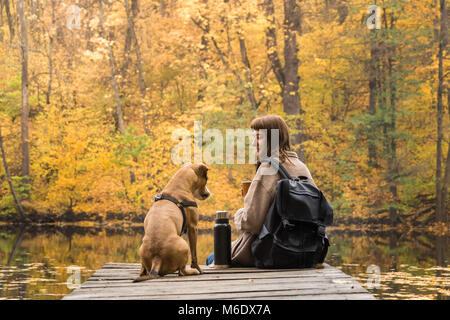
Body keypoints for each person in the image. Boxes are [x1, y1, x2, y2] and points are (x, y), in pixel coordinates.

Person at [206, 114, 317, 267]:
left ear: (274, 139)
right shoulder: (301, 166)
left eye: (258, 138)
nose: (253, 143)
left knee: (212, 258)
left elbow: (251, 223)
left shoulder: (268, 167)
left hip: (270, 252)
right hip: (303, 251)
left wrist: (239, 214)